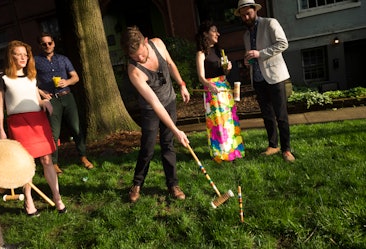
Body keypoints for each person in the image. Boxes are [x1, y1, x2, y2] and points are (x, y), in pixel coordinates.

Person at [0, 40, 66, 215]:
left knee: (47, 160)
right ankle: (28, 201)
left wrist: (45, 102)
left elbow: (36, 99)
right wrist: (1, 130)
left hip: (38, 121)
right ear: (11, 56)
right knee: (26, 164)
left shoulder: (31, 77)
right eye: (19, 54)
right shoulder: (2, 78)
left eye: (26, 54)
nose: (23, 57)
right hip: (18, 124)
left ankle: (57, 198)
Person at [120, 26, 190, 203]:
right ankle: (137, 184)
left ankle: (173, 184)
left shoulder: (158, 44)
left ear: (146, 41)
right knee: (148, 148)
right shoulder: (134, 71)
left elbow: (171, 64)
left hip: (170, 101)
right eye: (134, 57)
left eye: (141, 54)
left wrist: (181, 84)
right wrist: (176, 130)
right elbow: (154, 103)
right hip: (151, 110)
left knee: (168, 144)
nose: (140, 59)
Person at [234, 0, 295, 162]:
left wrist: (259, 53)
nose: (246, 17)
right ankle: (273, 145)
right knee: (267, 115)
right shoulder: (246, 35)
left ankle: (286, 149)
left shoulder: (270, 23)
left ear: (255, 10)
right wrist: (248, 61)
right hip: (258, 79)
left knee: (281, 115)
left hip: (275, 77)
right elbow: (252, 56)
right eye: (243, 15)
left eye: (248, 13)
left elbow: (283, 44)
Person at [34, 32, 94, 174]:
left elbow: (76, 77)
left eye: (50, 43)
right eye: (44, 44)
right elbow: (31, 82)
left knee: (76, 128)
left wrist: (66, 81)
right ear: (40, 46)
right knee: (54, 133)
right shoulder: (35, 61)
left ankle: (83, 157)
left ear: (53, 43)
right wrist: (42, 93)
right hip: (51, 100)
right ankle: (54, 163)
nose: (47, 46)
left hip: (67, 96)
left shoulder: (63, 59)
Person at [195, 20, 245, 163]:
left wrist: (227, 69)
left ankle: (233, 151)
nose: (218, 34)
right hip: (213, 91)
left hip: (224, 88)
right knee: (217, 123)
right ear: (205, 34)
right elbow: (201, 77)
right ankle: (220, 153)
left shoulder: (218, 51)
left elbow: (222, 72)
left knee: (229, 121)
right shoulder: (201, 53)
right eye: (214, 31)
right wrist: (208, 85)